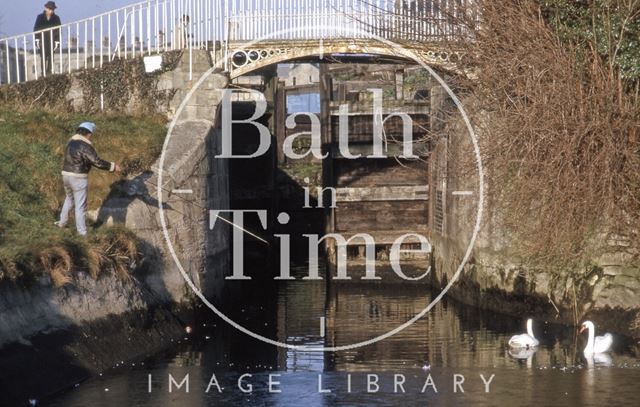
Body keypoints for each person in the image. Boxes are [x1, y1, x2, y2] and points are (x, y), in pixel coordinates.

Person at [56, 122, 121, 236]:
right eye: (91, 133)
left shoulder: (71, 142)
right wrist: (113, 166)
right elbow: (97, 162)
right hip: (78, 177)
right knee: (80, 206)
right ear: (88, 133)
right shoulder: (85, 145)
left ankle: (62, 223)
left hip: (66, 175)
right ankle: (82, 233)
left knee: (69, 199)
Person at [33, 1, 62, 76]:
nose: (51, 11)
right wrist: (37, 39)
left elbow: (58, 30)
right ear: (46, 8)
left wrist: (57, 41)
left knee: (51, 56)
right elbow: (36, 29)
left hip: (52, 39)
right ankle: (43, 73)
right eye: (49, 9)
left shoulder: (56, 18)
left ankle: (49, 71)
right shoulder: (40, 17)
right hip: (42, 40)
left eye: (52, 9)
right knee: (43, 56)